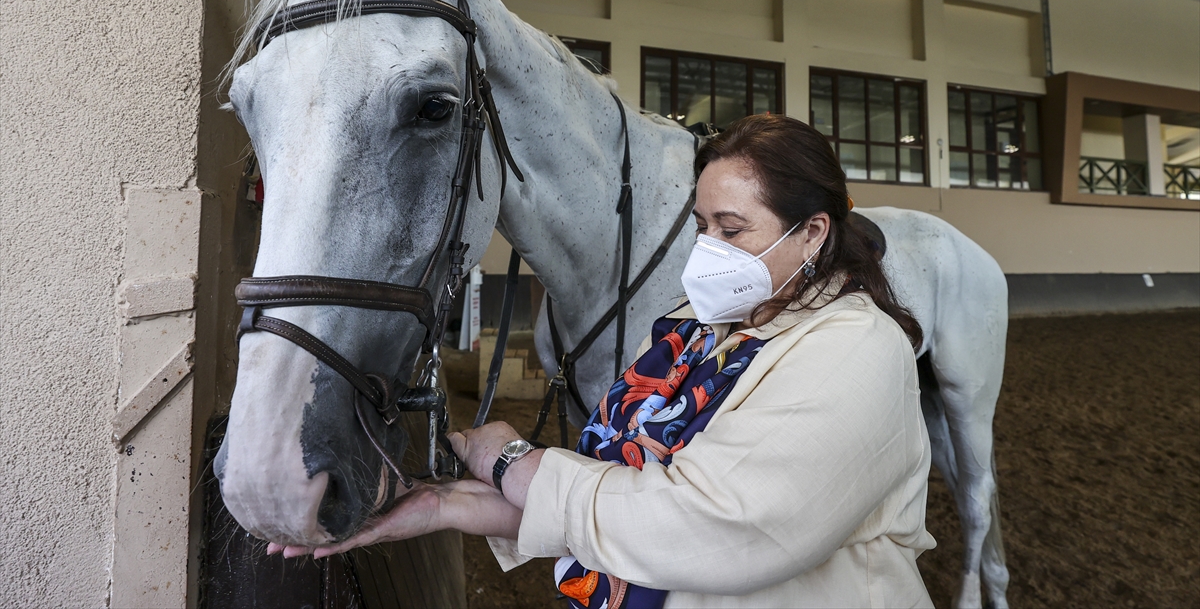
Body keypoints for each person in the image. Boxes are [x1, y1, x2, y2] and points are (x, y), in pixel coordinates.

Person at [274, 114, 935, 608]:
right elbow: (615, 502)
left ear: (813, 232)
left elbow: (711, 527)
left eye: (732, 230)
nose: (707, 248)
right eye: (701, 226)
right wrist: (446, 505)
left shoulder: (855, 350)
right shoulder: (692, 329)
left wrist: (510, 462)